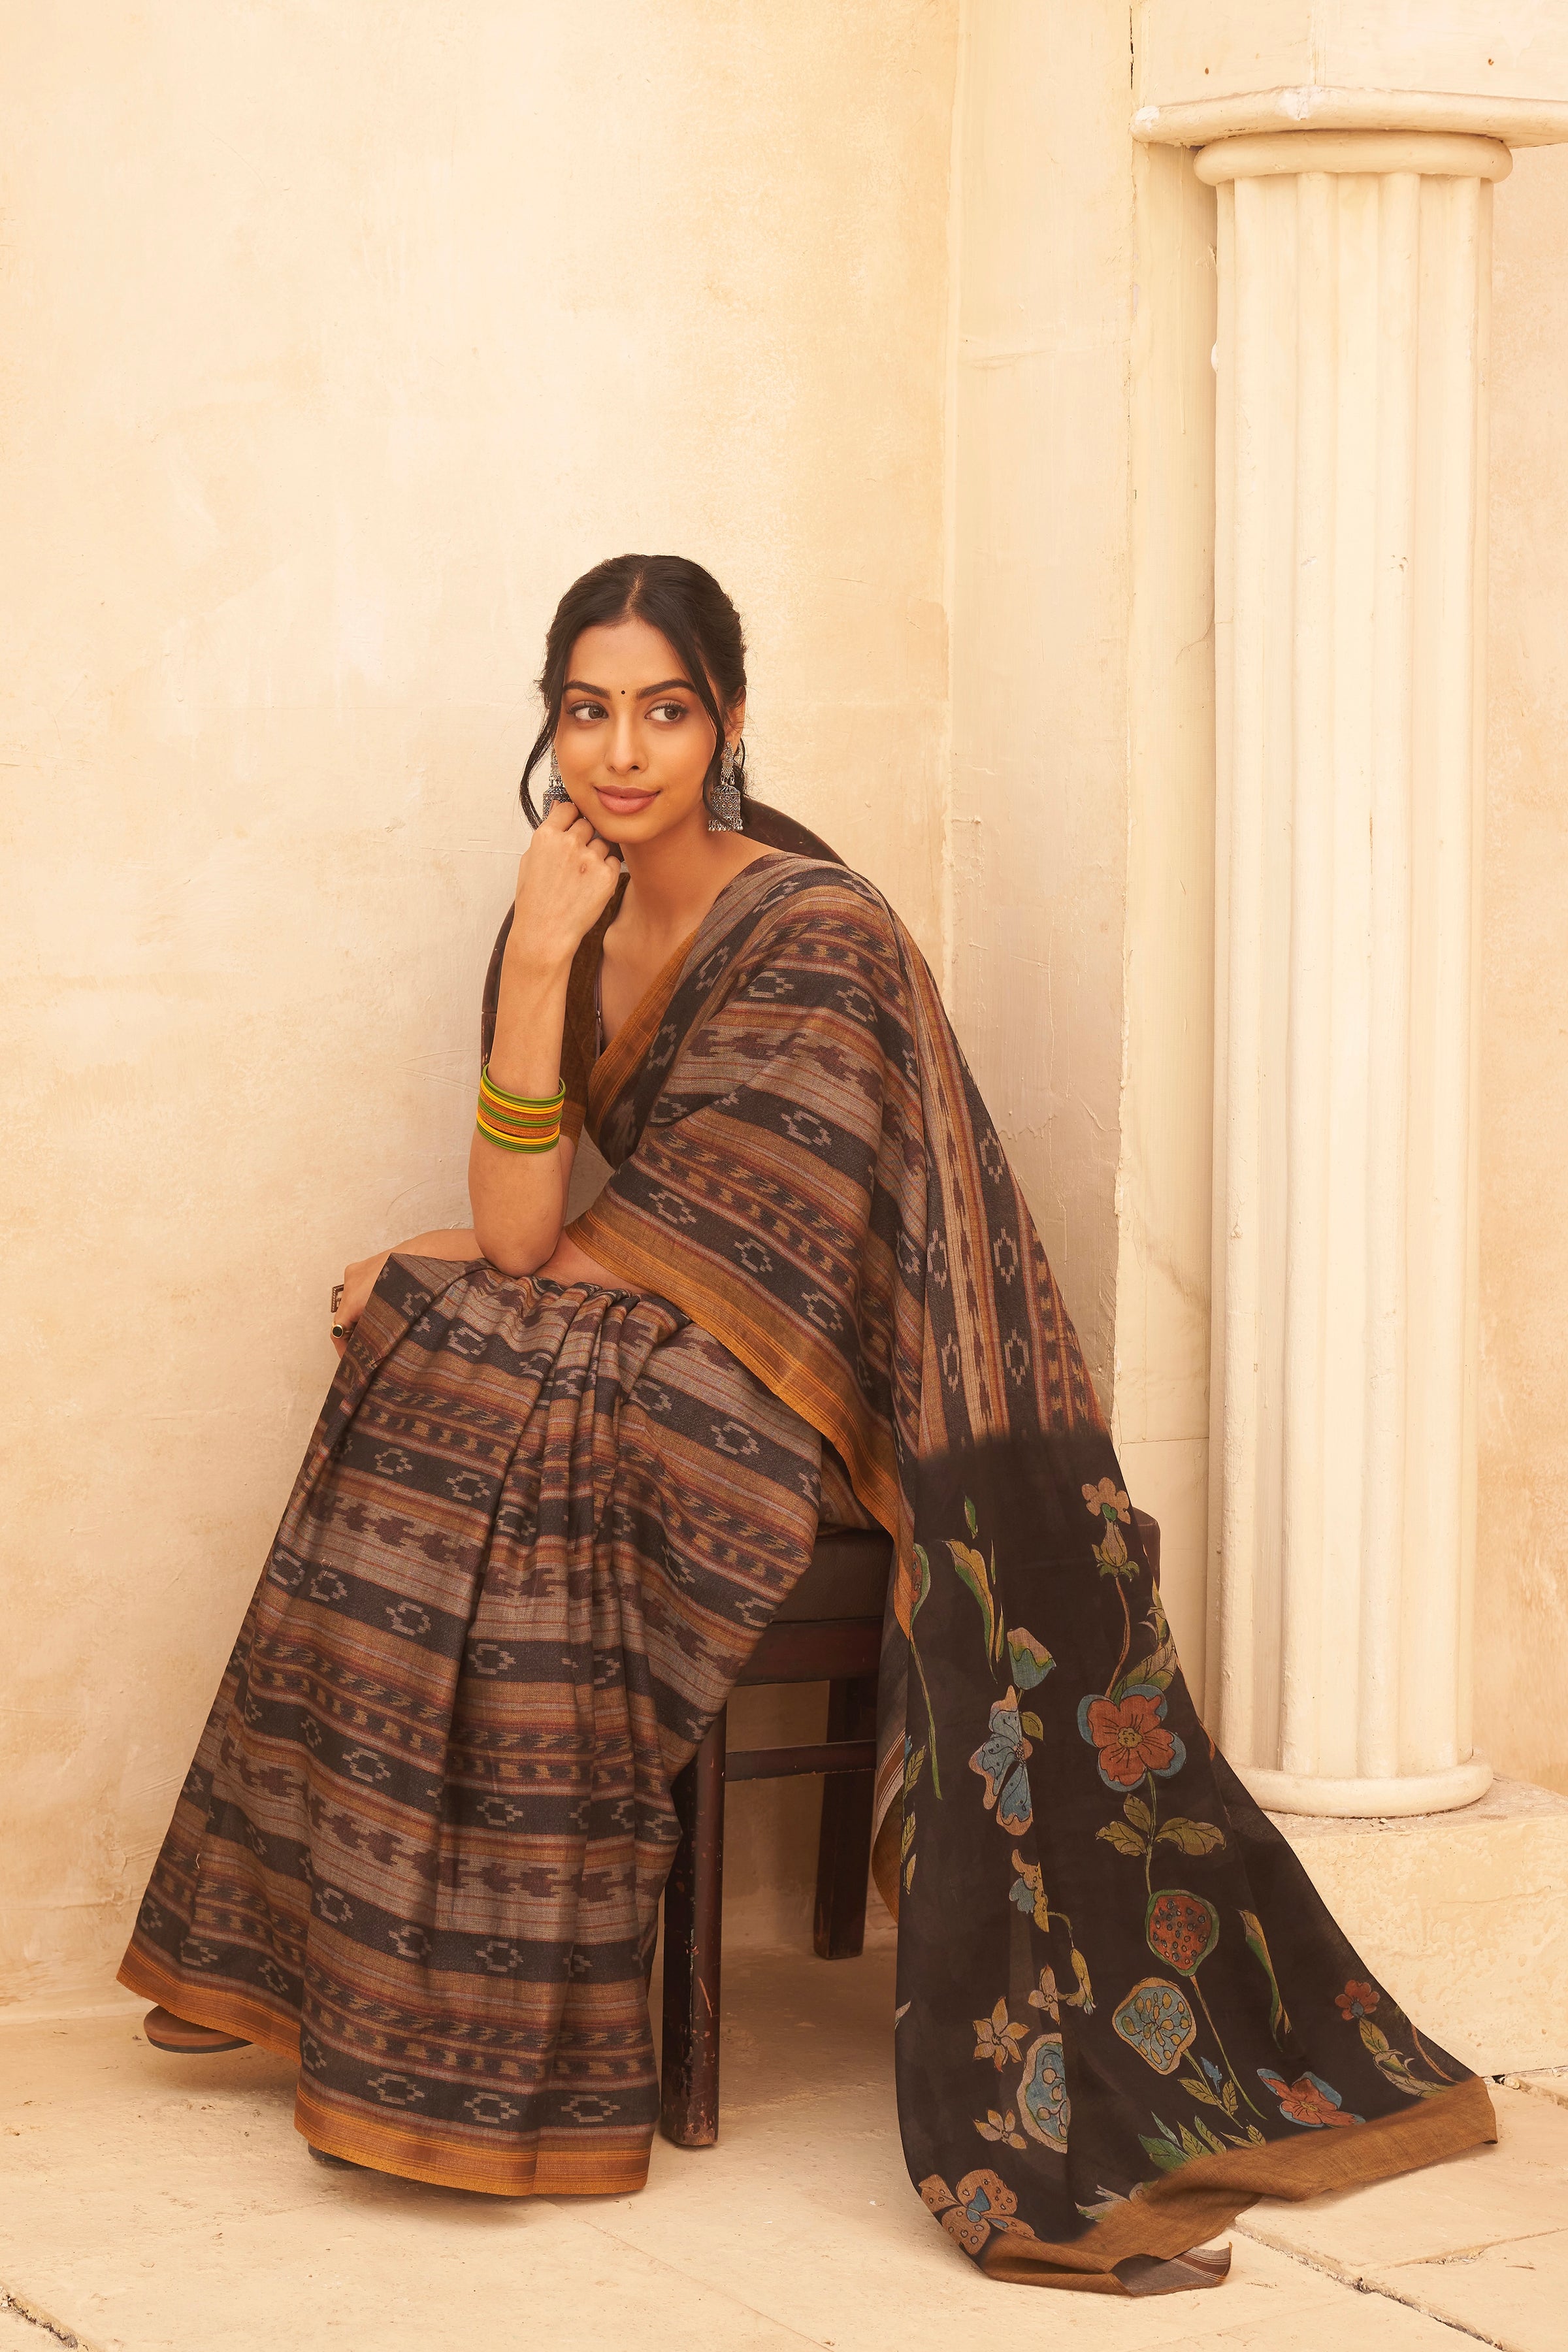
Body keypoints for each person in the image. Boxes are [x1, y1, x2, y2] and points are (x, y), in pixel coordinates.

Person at [121, 554, 1493, 2295]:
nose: (624, 752)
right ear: (549, 725)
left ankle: (473, 2028)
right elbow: (534, 1229)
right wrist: (534, 968)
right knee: (427, 1361)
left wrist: (456, 1256)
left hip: (827, 1383)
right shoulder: (557, 916)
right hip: (659, 1325)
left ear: (730, 722)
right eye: (587, 711)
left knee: (461, 1361)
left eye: (665, 710)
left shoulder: (815, 928)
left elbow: (735, 1230)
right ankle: (326, 1965)